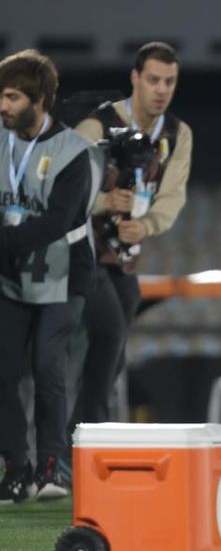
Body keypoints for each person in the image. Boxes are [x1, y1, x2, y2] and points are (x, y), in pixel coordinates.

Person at [71, 41, 192, 430]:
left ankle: (77, 434)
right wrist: (105, 200)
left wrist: (147, 224)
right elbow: (63, 191)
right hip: (80, 250)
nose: (161, 89)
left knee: (116, 342)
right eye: (153, 79)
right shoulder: (96, 126)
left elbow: (172, 196)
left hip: (123, 255)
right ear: (135, 78)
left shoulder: (177, 134)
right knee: (109, 331)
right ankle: (90, 436)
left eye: (169, 82)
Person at [0, 50, 94, 503]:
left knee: (47, 368)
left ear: (39, 100)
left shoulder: (74, 153)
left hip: (64, 272)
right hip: (12, 276)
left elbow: (58, 221)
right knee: (2, 372)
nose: (3, 105)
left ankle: (52, 467)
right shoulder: (0, 141)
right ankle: (17, 468)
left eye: (12, 96)